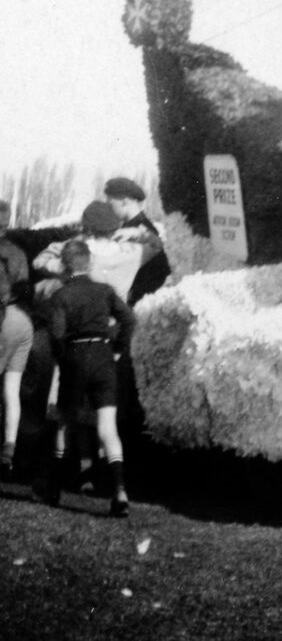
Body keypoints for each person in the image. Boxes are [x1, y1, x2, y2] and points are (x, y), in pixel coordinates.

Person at [41, 239, 135, 517]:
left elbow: (57, 334)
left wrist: (62, 358)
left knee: (63, 424)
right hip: (104, 356)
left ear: (64, 266)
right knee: (108, 428)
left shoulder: (60, 296)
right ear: (90, 262)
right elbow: (129, 319)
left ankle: (54, 487)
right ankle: (119, 491)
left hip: (75, 355)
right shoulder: (105, 290)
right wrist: (117, 349)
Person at [0, 207, 34, 480]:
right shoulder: (18, 252)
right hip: (20, 320)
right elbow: (24, 288)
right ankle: (9, 450)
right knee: (11, 390)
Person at [104, 176, 171, 304]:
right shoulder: (131, 227)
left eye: (110, 202)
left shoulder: (140, 230)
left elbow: (157, 275)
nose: (108, 207)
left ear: (123, 201)